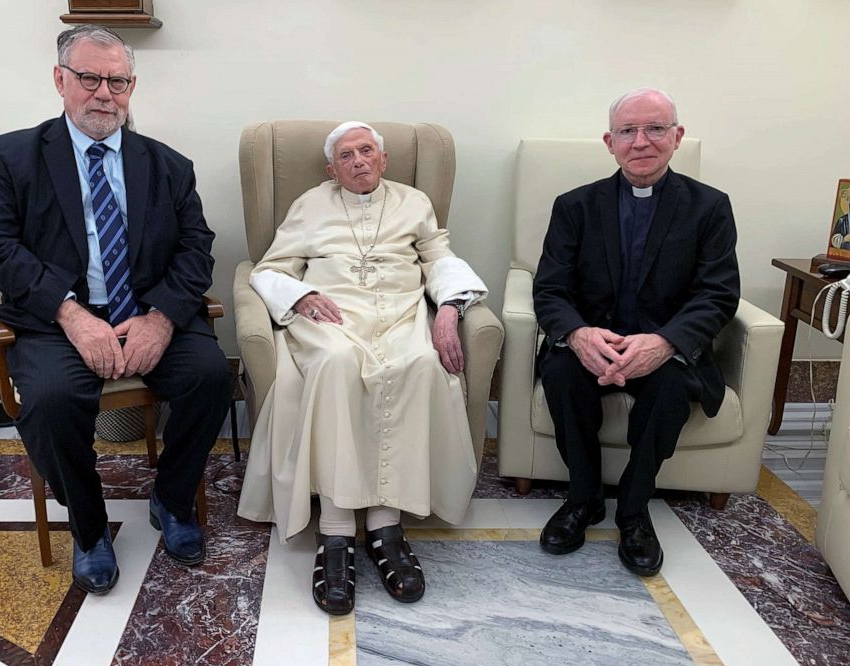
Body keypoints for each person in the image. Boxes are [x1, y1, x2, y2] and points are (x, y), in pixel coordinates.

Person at [0, 25, 232, 594]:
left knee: (211, 376)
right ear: (60, 81)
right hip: (55, 320)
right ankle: (89, 528)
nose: (104, 93)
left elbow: (196, 248)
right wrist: (70, 313)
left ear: (131, 87)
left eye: (118, 81)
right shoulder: (12, 157)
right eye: (89, 78)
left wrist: (161, 318)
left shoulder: (168, 165)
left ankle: (171, 495)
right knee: (52, 400)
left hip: (145, 312)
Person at [237, 122, 488, 614]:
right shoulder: (309, 204)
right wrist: (303, 294)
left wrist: (451, 312)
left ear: (383, 157)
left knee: (419, 363)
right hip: (332, 316)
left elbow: (440, 257)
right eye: (346, 156)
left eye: (366, 151)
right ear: (332, 169)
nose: (358, 161)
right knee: (334, 365)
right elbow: (270, 268)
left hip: (400, 312)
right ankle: (334, 533)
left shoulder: (414, 201)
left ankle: (384, 524)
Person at [533, 88, 739, 576]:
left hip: (665, 344)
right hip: (593, 340)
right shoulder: (574, 206)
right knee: (561, 373)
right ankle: (582, 500)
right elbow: (549, 289)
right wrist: (580, 335)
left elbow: (718, 293)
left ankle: (634, 508)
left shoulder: (709, 207)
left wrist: (665, 342)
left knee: (669, 389)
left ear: (677, 136)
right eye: (628, 131)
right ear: (610, 141)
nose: (641, 141)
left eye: (655, 129)